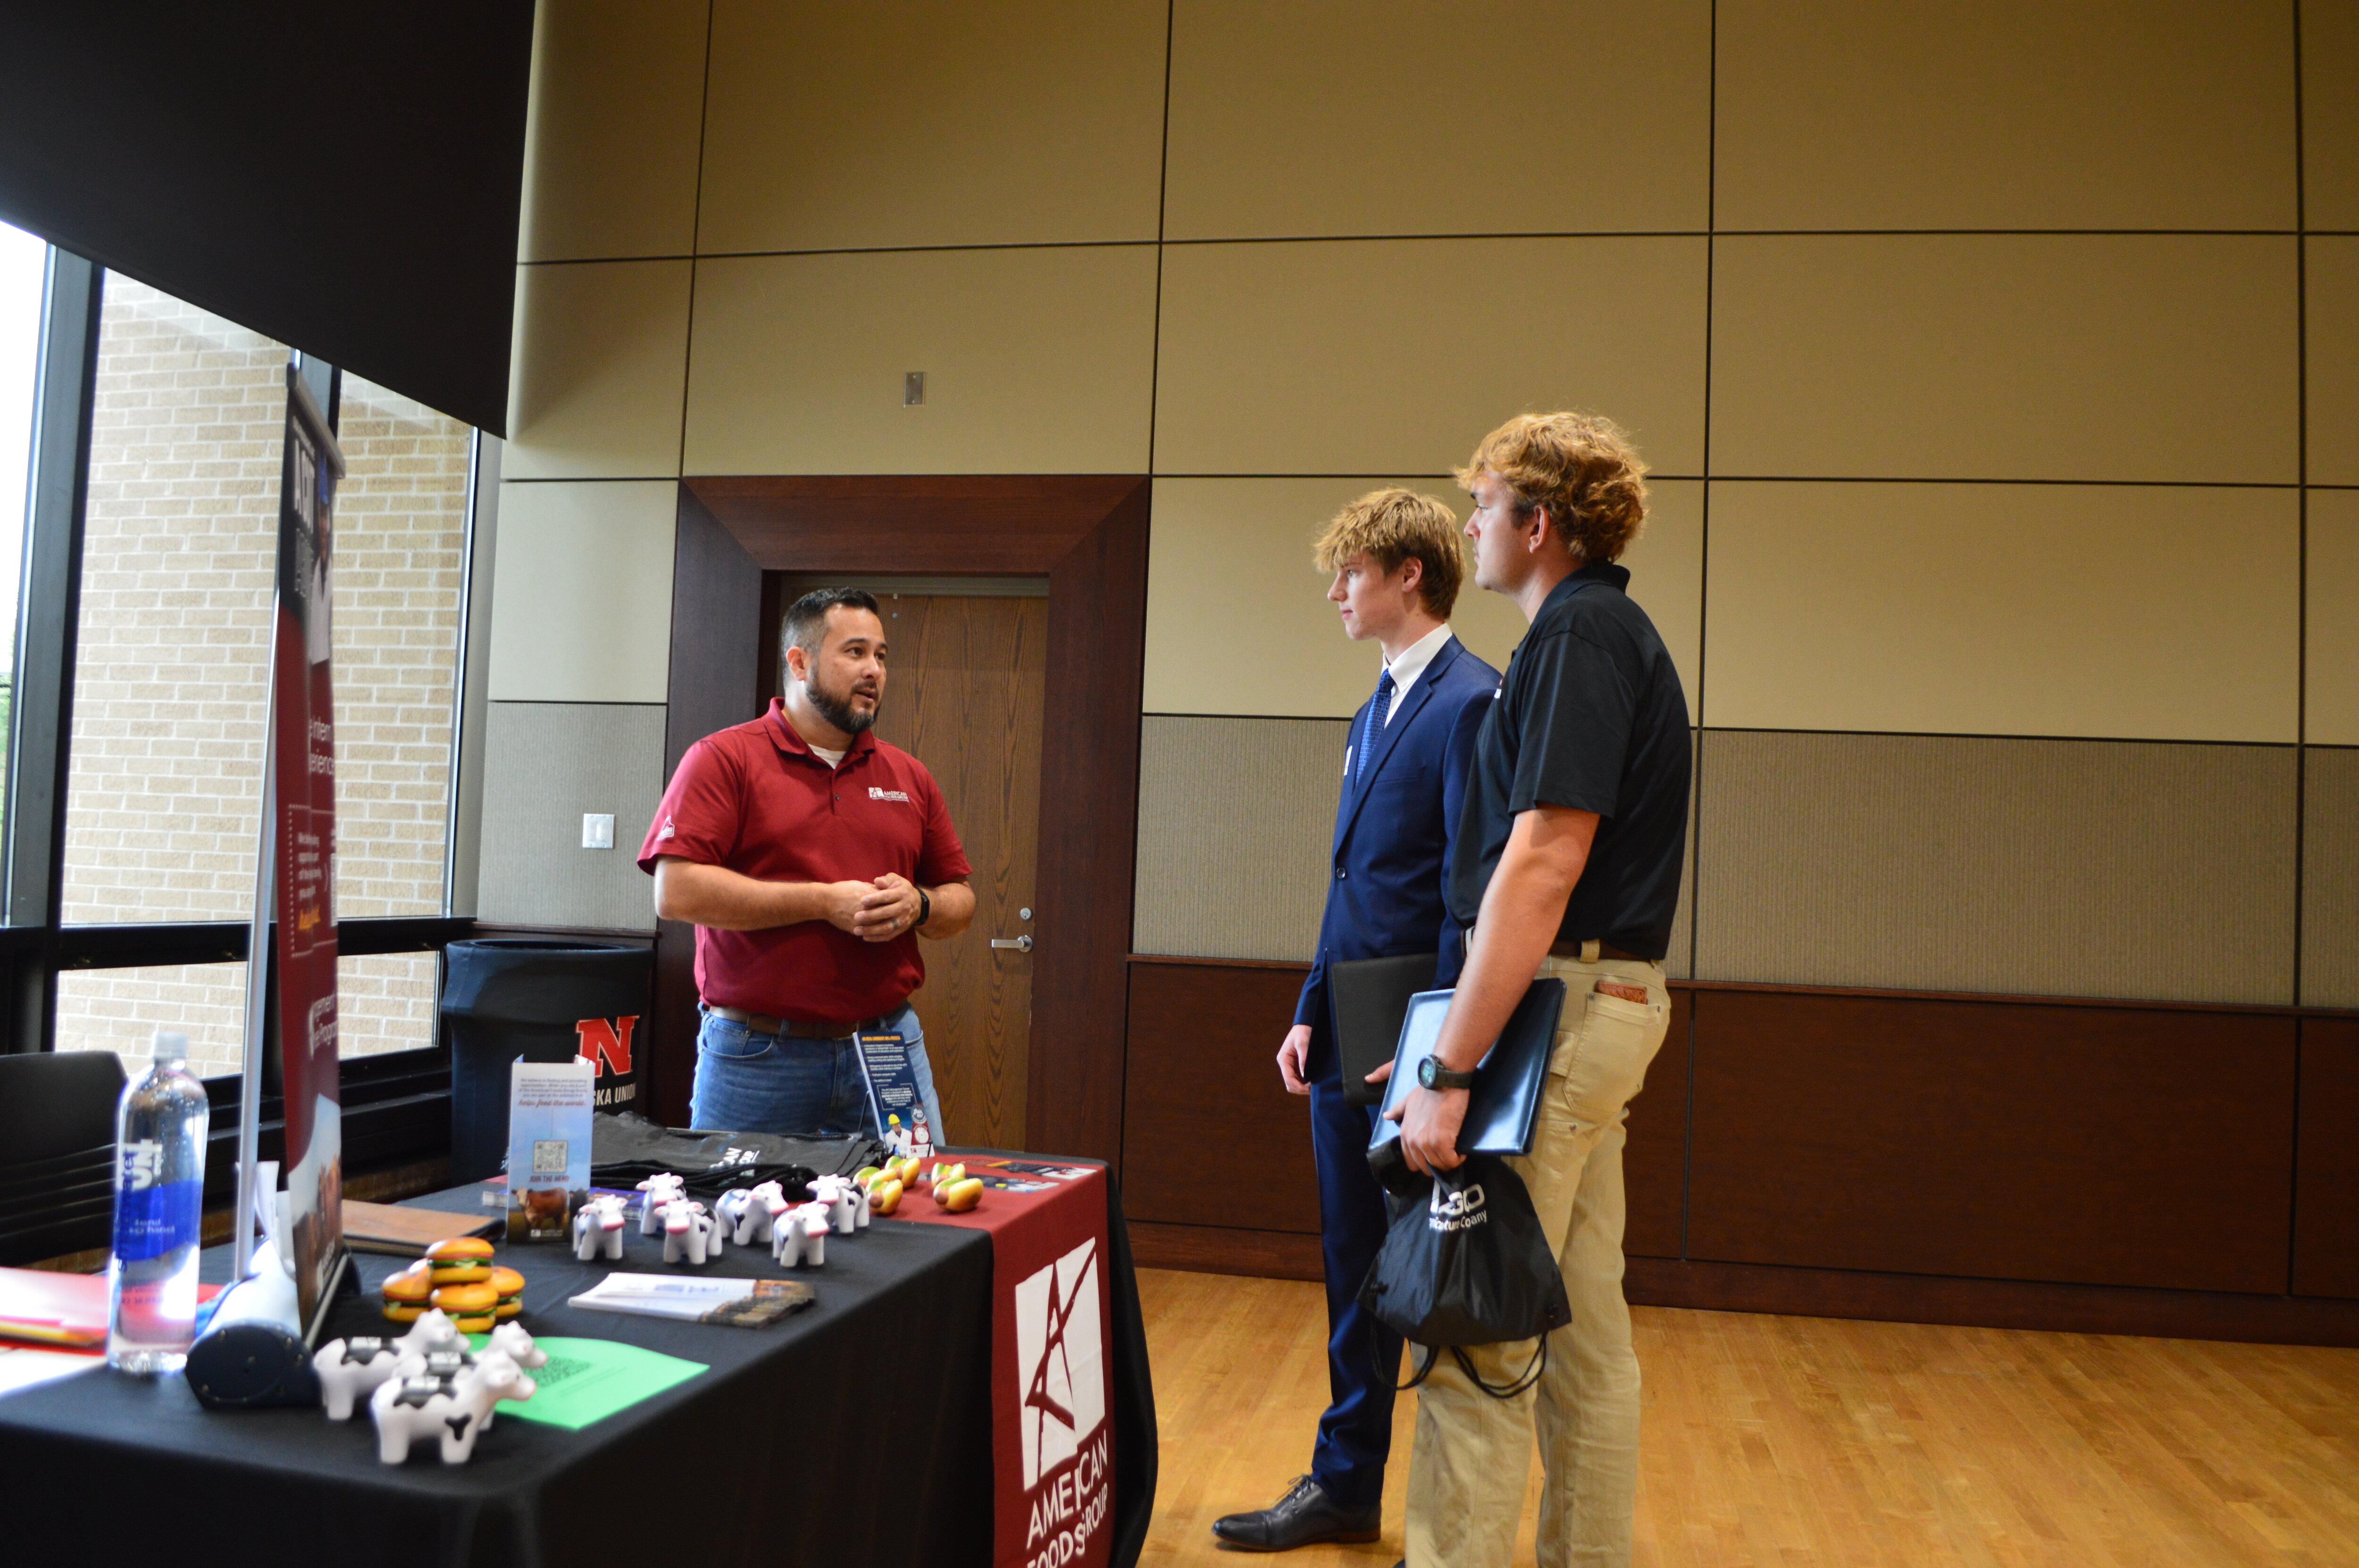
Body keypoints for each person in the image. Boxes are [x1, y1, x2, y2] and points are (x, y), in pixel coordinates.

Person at [1390, 414, 1690, 1568]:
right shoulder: (1600, 633)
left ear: (1539, 522)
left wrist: (1449, 1065)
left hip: (1555, 1015)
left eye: (1483, 502)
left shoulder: (1579, 634)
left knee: (1477, 1335)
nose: (1470, 524)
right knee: (1585, 1338)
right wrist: (1453, 1035)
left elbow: (1545, 856)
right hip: (1590, 1010)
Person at [1213, 490, 1500, 1552]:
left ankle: (1445, 1507)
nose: (1335, 591)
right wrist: (1304, 1010)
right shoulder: (1371, 705)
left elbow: (1469, 901)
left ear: (1409, 575)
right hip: (1341, 1031)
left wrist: (1434, 1052)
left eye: (1351, 573)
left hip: (1414, 1050)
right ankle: (1345, 1483)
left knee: (1426, 1281)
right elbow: (1353, 883)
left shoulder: (1474, 701)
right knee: (1350, 1268)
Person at [638, 586, 977, 1138]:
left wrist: (918, 905)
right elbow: (676, 892)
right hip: (758, 1054)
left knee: (917, 1215)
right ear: (799, 662)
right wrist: (823, 902)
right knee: (738, 1218)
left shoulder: (909, 777)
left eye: (882, 656)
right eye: (855, 652)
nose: (874, 671)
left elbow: (960, 902)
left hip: (887, 1046)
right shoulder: (724, 759)